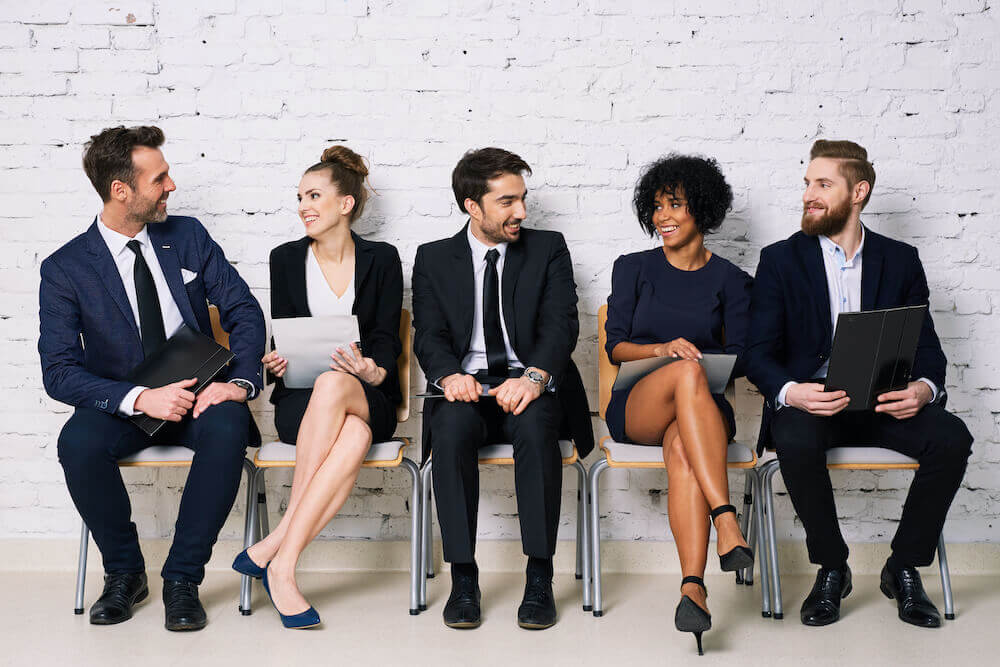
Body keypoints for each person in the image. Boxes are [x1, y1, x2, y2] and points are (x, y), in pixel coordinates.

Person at [39, 126, 266, 631]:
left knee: (228, 428)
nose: (172, 186)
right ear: (122, 191)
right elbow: (58, 371)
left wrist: (241, 383)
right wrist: (142, 398)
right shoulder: (65, 268)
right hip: (126, 403)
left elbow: (244, 312)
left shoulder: (187, 237)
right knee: (77, 443)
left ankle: (182, 579)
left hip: (202, 391)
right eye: (159, 178)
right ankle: (124, 573)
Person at [744, 139, 972, 628]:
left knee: (952, 438)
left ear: (859, 191)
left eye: (823, 184)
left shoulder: (901, 260)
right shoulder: (780, 260)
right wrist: (791, 392)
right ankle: (832, 567)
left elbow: (927, 347)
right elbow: (756, 353)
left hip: (884, 401)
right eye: (807, 183)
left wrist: (924, 389)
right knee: (794, 438)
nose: (810, 193)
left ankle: (903, 567)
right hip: (814, 404)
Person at [412, 147, 593, 630]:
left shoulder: (548, 247)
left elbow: (562, 325)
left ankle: (539, 575)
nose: (522, 212)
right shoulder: (433, 258)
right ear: (473, 206)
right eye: (508, 202)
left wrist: (533, 378)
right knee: (449, 432)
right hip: (464, 386)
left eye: (523, 199)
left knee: (536, 433)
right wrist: (450, 376)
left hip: (528, 384)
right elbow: (428, 334)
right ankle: (464, 577)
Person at [230, 146, 403, 629]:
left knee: (338, 384)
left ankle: (277, 541)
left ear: (345, 204)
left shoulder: (382, 259)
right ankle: (283, 566)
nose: (303, 205)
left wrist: (372, 372)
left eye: (314, 195)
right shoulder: (284, 259)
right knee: (353, 436)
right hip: (300, 401)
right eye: (300, 197)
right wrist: (275, 361)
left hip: (369, 396)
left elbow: (387, 338)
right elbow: (281, 336)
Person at [604, 154, 753, 655]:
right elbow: (616, 347)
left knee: (685, 450)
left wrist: (706, 363)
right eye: (655, 206)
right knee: (687, 369)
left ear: (702, 211)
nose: (661, 216)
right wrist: (663, 351)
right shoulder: (633, 268)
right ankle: (726, 518)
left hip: (702, 412)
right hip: (640, 401)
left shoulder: (733, 280)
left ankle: (694, 586)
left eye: (675, 205)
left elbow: (743, 357)